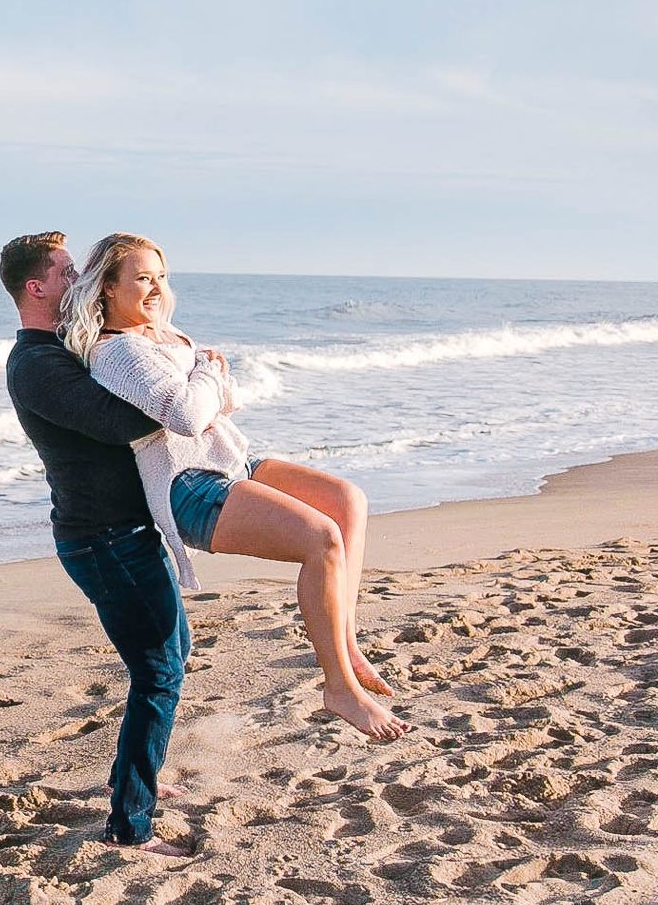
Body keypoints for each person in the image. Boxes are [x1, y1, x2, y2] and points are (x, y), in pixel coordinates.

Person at [65, 233, 411, 742]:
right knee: (321, 540)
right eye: (142, 278)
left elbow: (226, 403)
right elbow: (186, 416)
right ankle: (339, 686)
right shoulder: (117, 353)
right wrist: (206, 371)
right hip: (189, 483)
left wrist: (208, 386)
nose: (157, 287)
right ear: (107, 290)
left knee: (347, 500)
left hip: (229, 459)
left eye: (161, 275)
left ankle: (346, 641)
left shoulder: (164, 336)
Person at [0, 231, 191, 856]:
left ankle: (139, 788)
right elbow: (131, 420)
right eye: (65, 272)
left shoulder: (68, 347)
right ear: (36, 287)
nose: (77, 279)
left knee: (170, 661)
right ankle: (130, 828)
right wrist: (196, 382)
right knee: (158, 671)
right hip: (103, 540)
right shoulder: (36, 364)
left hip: (126, 531)